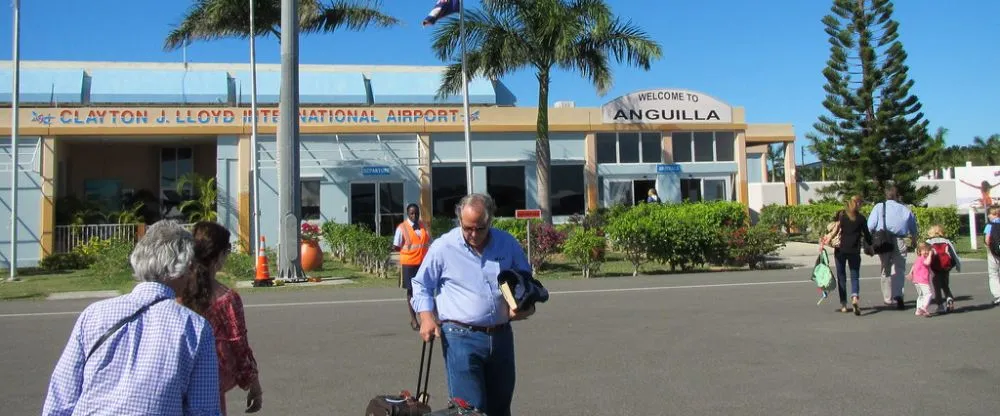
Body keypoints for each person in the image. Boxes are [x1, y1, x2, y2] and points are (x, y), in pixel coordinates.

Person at [43, 220, 221, 416]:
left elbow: (60, 399)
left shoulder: (94, 314)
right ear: (185, 267)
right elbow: (204, 410)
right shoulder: (195, 328)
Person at [411, 193, 536, 416]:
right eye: (468, 228)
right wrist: (427, 317)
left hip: (501, 337)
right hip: (460, 337)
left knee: (500, 407)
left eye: (480, 228)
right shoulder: (444, 247)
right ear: (459, 219)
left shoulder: (506, 243)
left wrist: (523, 301)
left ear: (490, 221)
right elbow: (421, 284)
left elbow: (525, 277)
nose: (474, 234)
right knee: (470, 410)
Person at [181, 222, 263, 415]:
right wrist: (254, 385)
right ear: (219, 258)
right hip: (210, 386)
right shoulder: (227, 299)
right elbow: (239, 346)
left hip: (176, 379)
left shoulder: (177, 292)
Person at [867, 186, 919, 310]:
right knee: (899, 269)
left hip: (883, 240)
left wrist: (869, 241)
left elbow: (870, 225)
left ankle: (887, 298)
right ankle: (898, 295)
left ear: (886, 195)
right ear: (897, 196)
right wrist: (914, 241)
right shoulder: (905, 209)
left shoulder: (879, 207)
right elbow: (913, 229)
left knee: (886, 268)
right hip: (900, 239)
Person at [821, 195, 871, 316]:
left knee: (841, 277)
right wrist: (871, 246)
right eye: (861, 203)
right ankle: (855, 298)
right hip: (854, 251)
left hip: (840, 250)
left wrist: (826, 240)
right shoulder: (861, 219)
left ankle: (843, 304)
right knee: (854, 276)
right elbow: (868, 236)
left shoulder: (842, 217)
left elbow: (835, 231)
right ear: (858, 204)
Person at [393, 203, 433, 331]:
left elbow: (428, 241)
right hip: (409, 264)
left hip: (423, 263)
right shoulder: (402, 228)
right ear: (407, 214)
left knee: (424, 290)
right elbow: (396, 245)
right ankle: (413, 319)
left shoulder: (423, 225)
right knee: (411, 292)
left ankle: (425, 318)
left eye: (416, 213)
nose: (414, 215)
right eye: (411, 213)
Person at [925, 224, 961, 313]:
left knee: (937, 287)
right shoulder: (947, 241)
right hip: (946, 267)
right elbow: (954, 254)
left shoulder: (929, 242)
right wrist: (958, 265)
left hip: (935, 267)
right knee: (945, 285)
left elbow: (925, 255)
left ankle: (940, 305)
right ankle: (949, 299)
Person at [906, 242, 934, 317]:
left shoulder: (918, 259)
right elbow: (927, 263)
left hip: (916, 280)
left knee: (921, 295)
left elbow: (914, 266)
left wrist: (910, 273)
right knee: (928, 294)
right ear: (919, 251)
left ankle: (918, 310)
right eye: (924, 250)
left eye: (928, 250)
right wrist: (930, 255)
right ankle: (923, 307)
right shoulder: (923, 258)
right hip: (923, 280)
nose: (926, 252)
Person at [982, 206, 1000, 306]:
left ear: (994, 214)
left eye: (989, 214)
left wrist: (989, 248)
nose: (988, 216)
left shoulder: (990, 225)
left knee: (993, 273)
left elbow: (987, 239)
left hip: (994, 252)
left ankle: (998, 295)